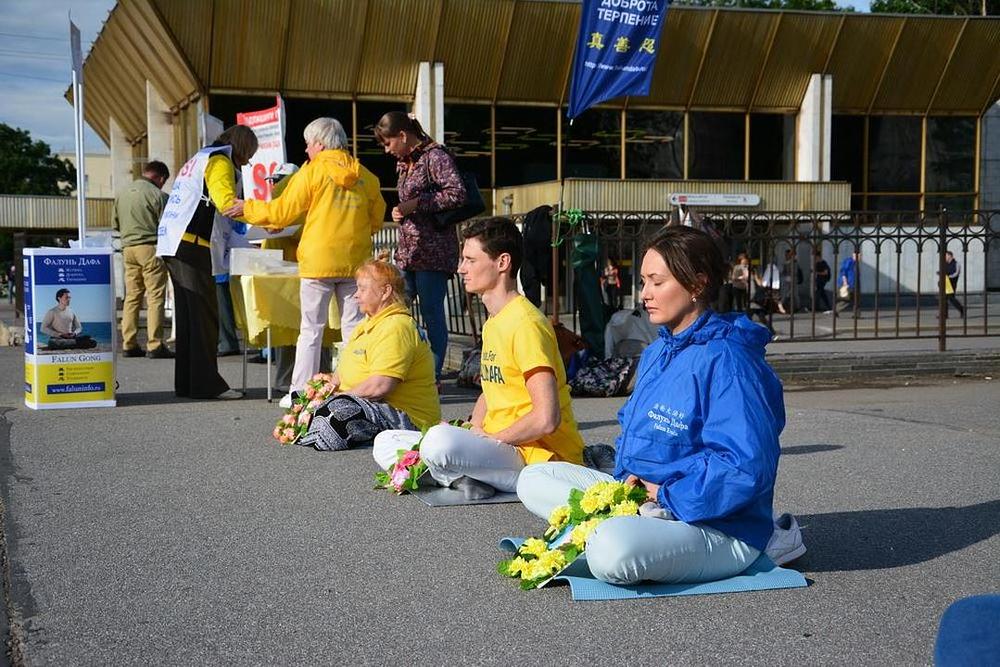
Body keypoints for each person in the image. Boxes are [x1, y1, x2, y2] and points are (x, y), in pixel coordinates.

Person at [517, 225, 786, 586]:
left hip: (717, 525)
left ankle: (769, 540)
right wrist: (630, 481)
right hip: (644, 500)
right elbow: (636, 434)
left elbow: (744, 467)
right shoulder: (658, 350)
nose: (645, 294)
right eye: (643, 281)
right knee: (533, 478)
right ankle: (626, 524)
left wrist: (664, 492)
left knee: (610, 553)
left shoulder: (730, 362)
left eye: (657, 282)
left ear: (697, 284)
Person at [373, 217, 584, 500]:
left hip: (535, 455)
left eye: (470, 260)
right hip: (497, 445)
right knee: (386, 440)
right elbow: (492, 389)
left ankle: (460, 474)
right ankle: (466, 476)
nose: (461, 268)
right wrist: (474, 428)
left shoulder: (526, 324)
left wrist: (491, 439)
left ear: (502, 262)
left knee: (438, 442)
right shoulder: (495, 321)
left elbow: (546, 419)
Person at [226, 117, 386, 408]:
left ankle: (299, 392)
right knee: (353, 330)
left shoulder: (311, 172)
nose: (307, 149)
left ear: (320, 144)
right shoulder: (367, 177)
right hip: (355, 263)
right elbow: (376, 221)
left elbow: (283, 211)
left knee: (311, 329)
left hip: (318, 263)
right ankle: (353, 389)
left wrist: (246, 208)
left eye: (309, 144)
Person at [157, 124, 258, 400]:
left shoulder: (201, 156)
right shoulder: (220, 162)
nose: (247, 162)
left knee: (189, 318)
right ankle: (207, 385)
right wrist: (262, 215)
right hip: (192, 244)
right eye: (249, 155)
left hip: (174, 242)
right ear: (242, 147)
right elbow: (226, 203)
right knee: (204, 317)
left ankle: (187, 383)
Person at [308, 260, 441, 452]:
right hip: (363, 403)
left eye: (362, 289)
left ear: (385, 291)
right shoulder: (367, 324)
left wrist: (335, 398)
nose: (356, 295)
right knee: (306, 400)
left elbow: (380, 386)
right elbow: (341, 373)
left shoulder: (396, 326)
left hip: (405, 417)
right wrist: (324, 388)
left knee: (336, 411)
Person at [375, 111, 466, 383]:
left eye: (388, 143)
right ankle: (403, 366)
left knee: (431, 313)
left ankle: (431, 377)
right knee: (395, 308)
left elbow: (457, 193)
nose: (386, 150)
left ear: (403, 135)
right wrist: (399, 212)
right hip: (408, 252)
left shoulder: (436, 157)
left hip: (434, 252)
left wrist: (416, 204)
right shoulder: (405, 162)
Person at [112, 160, 173, 359]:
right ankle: (154, 345)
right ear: (160, 178)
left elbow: (115, 224)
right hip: (150, 248)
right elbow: (167, 226)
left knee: (132, 297)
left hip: (128, 249)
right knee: (155, 297)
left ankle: (129, 344)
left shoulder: (122, 194)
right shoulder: (158, 195)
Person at [942, 251, 965, 318]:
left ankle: (961, 309)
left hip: (952, 283)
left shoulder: (956, 264)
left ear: (950, 256)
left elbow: (956, 273)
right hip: (946, 283)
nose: (945, 257)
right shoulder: (945, 264)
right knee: (944, 298)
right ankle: (944, 314)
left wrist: (949, 276)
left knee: (951, 298)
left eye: (946, 256)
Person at [836, 250, 860, 315]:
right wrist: (845, 281)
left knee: (856, 300)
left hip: (855, 284)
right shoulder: (849, 261)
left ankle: (856, 314)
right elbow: (843, 271)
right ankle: (836, 310)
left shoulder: (856, 263)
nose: (859, 257)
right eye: (858, 255)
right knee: (847, 299)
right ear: (854, 255)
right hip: (849, 284)